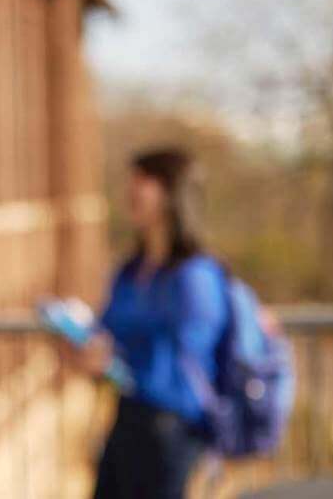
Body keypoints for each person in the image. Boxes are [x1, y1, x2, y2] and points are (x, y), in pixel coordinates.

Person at [82, 148, 228, 499]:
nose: (130, 193)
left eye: (142, 183)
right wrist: (89, 353)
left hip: (172, 433)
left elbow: (192, 365)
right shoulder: (129, 273)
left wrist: (120, 363)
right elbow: (106, 334)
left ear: (171, 194)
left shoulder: (196, 277)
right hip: (124, 423)